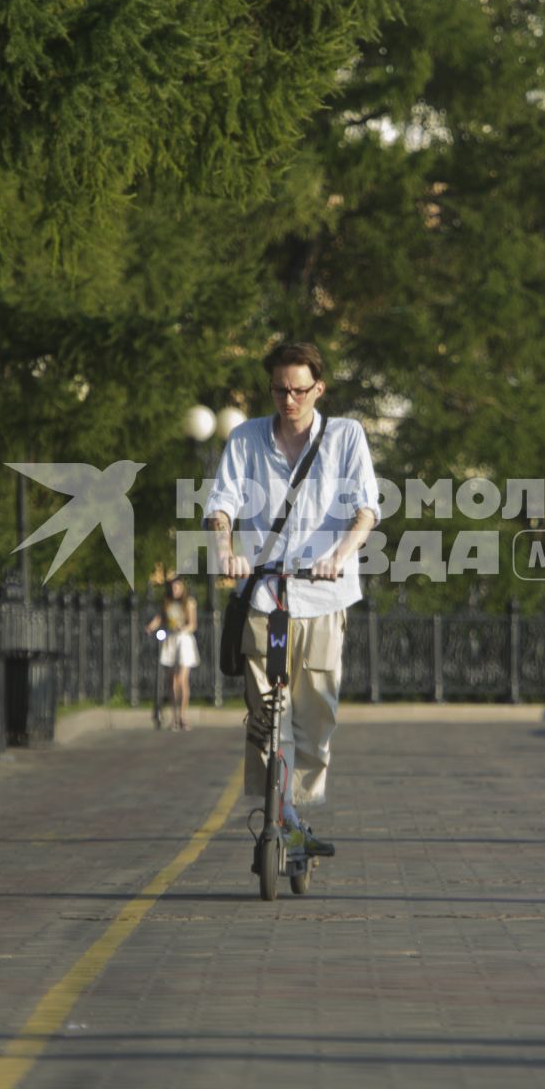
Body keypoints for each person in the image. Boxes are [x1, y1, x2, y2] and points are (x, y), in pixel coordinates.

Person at [206, 342, 379, 859]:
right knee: (264, 713)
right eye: (280, 389)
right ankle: (281, 814)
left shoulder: (345, 436)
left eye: (299, 389)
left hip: (324, 594)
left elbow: (366, 509)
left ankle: (296, 808)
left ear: (318, 389)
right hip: (263, 594)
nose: (289, 399)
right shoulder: (245, 439)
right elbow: (222, 504)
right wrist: (226, 551)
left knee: (316, 713)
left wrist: (341, 554)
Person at [146, 577, 200, 730]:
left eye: (178, 586)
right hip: (170, 639)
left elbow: (192, 624)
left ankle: (183, 715)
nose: (175, 589)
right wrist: (151, 627)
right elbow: (161, 618)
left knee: (182, 680)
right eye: (173, 587)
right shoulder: (167, 602)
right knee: (173, 681)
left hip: (183, 640)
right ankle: (175, 716)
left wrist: (182, 629)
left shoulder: (188, 602)